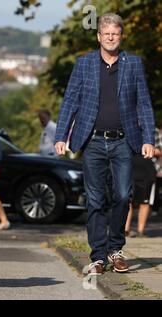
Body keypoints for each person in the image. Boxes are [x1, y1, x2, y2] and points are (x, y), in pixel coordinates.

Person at [54, 13, 155, 275]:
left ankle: (116, 249)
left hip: (123, 140)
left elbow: (143, 103)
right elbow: (70, 102)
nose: (111, 37)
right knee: (96, 200)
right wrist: (61, 136)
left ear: (121, 36)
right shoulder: (84, 63)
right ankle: (98, 257)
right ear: (99, 36)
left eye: (116, 33)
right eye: (106, 33)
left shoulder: (132, 63)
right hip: (93, 141)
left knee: (123, 195)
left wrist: (148, 140)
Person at [125, 129, 162, 237]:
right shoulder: (128, 127)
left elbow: (160, 150)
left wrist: (148, 149)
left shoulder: (153, 131)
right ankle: (125, 229)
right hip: (130, 169)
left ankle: (140, 231)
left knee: (145, 202)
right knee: (127, 199)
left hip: (148, 170)